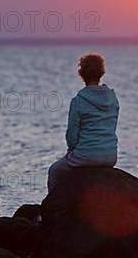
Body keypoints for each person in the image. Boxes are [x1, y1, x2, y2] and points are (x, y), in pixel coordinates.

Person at [47, 53, 119, 192]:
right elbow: (111, 127)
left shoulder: (78, 100)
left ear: (81, 74)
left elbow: (72, 134)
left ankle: (52, 209)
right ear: (101, 73)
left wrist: (71, 152)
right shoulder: (113, 98)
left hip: (85, 156)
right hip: (110, 156)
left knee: (54, 171)